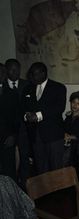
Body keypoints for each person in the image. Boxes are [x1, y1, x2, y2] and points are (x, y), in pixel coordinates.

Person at [23, 62, 66, 175]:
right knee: (41, 170)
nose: (32, 77)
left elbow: (59, 108)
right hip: (36, 137)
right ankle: (44, 192)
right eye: (31, 74)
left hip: (54, 137)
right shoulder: (28, 88)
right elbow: (24, 107)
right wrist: (26, 115)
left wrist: (37, 116)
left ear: (43, 73)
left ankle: (58, 193)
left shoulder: (58, 88)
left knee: (56, 170)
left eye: (34, 74)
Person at [4, 59, 31, 188]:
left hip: (23, 129)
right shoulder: (2, 85)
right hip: (7, 131)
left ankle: (24, 184)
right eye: (12, 69)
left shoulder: (27, 85)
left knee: (25, 156)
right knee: (8, 159)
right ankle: (10, 185)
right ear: (6, 70)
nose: (15, 72)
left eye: (17, 70)